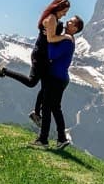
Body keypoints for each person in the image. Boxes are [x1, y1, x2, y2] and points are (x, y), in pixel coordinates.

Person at [0, 0, 71, 126]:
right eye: (64, 11)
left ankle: (36, 114)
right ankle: (3, 71)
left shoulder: (53, 18)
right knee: (32, 82)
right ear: (58, 7)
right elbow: (51, 39)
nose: (64, 14)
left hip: (45, 57)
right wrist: (65, 37)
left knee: (46, 85)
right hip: (40, 56)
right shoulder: (51, 19)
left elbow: (51, 38)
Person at [30, 15, 84, 150]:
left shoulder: (67, 40)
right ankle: (61, 139)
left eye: (71, 22)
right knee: (55, 108)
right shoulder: (68, 39)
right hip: (61, 78)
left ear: (75, 28)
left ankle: (43, 140)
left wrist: (48, 39)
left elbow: (52, 55)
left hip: (56, 78)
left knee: (47, 108)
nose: (67, 22)